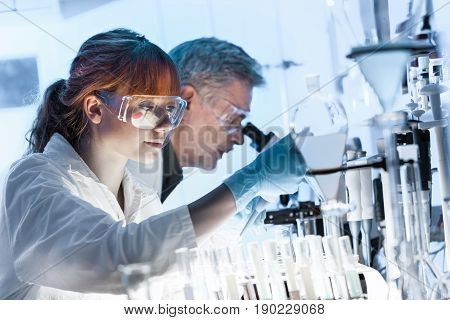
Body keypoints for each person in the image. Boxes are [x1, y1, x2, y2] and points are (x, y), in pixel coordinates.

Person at [0, 29, 306, 299]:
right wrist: (244, 184)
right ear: (95, 108)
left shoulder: (139, 198)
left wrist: (233, 221)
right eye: (146, 107)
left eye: (171, 109)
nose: (164, 125)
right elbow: (121, 259)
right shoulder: (34, 179)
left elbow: (170, 269)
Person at [128, 37, 265, 202]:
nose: (239, 138)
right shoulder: (134, 166)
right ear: (186, 102)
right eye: (232, 118)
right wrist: (239, 194)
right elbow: (140, 229)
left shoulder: (163, 170)